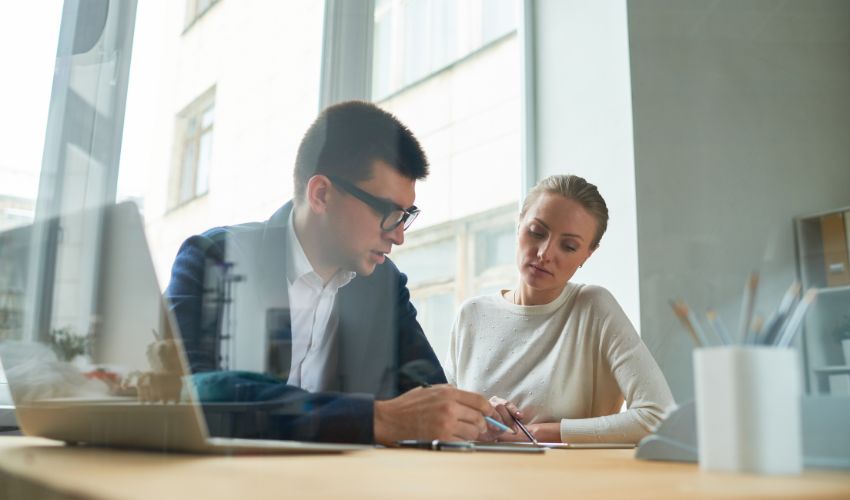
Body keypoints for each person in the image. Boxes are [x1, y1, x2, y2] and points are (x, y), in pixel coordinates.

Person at [166, 101, 500, 445]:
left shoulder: (383, 284)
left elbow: (424, 390)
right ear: (321, 194)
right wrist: (376, 420)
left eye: (406, 215)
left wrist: (472, 416)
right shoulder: (215, 260)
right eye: (388, 211)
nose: (398, 235)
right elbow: (186, 392)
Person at [445, 174, 674, 444]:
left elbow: (659, 416)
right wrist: (481, 416)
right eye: (537, 232)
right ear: (519, 224)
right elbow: (446, 419)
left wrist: (538, 434)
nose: (545, 253)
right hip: (478, 481)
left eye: (569, 246)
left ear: (587, 255)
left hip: (565, 483)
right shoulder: (472, 314)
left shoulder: (593, 307)